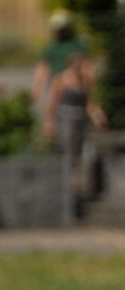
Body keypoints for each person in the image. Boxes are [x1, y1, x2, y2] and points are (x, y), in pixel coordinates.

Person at [39, 12, 108, 209]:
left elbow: (90, 103)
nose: (84, 68)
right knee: (67, 154)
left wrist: (97, 116)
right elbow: (52, 104)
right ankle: (65, 196)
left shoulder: (83, 83)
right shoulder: (61, 80)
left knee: (79, 154)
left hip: (79, 119)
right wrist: (49, 122)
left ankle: (76, 194)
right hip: (65, 118)